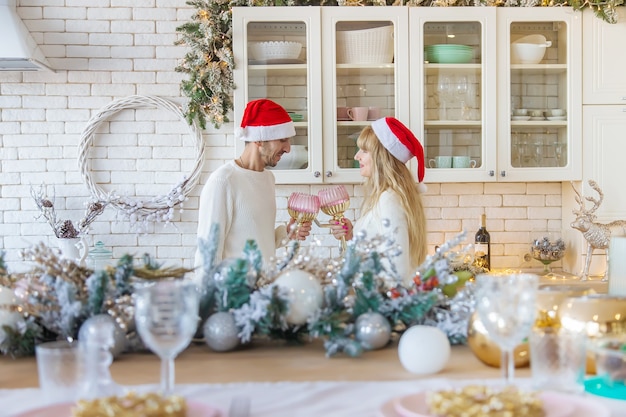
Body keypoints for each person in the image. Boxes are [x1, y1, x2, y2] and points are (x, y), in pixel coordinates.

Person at [195, 99, 311, 271]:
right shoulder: (223, 181)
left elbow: (255, 239)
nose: (288, 149)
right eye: (282, 140)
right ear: (259, 139)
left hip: (262, 290)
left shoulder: (267, 178)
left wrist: (286, 234)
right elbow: (207, 254)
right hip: (235, 293)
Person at [329, 117, 427, 287]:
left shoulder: (389, 199)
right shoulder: (388, 196)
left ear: (383, 158)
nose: (356, 156)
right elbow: (381, 252)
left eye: (364, 151)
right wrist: (353, 236)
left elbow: (397, 270)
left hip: (380, 302)